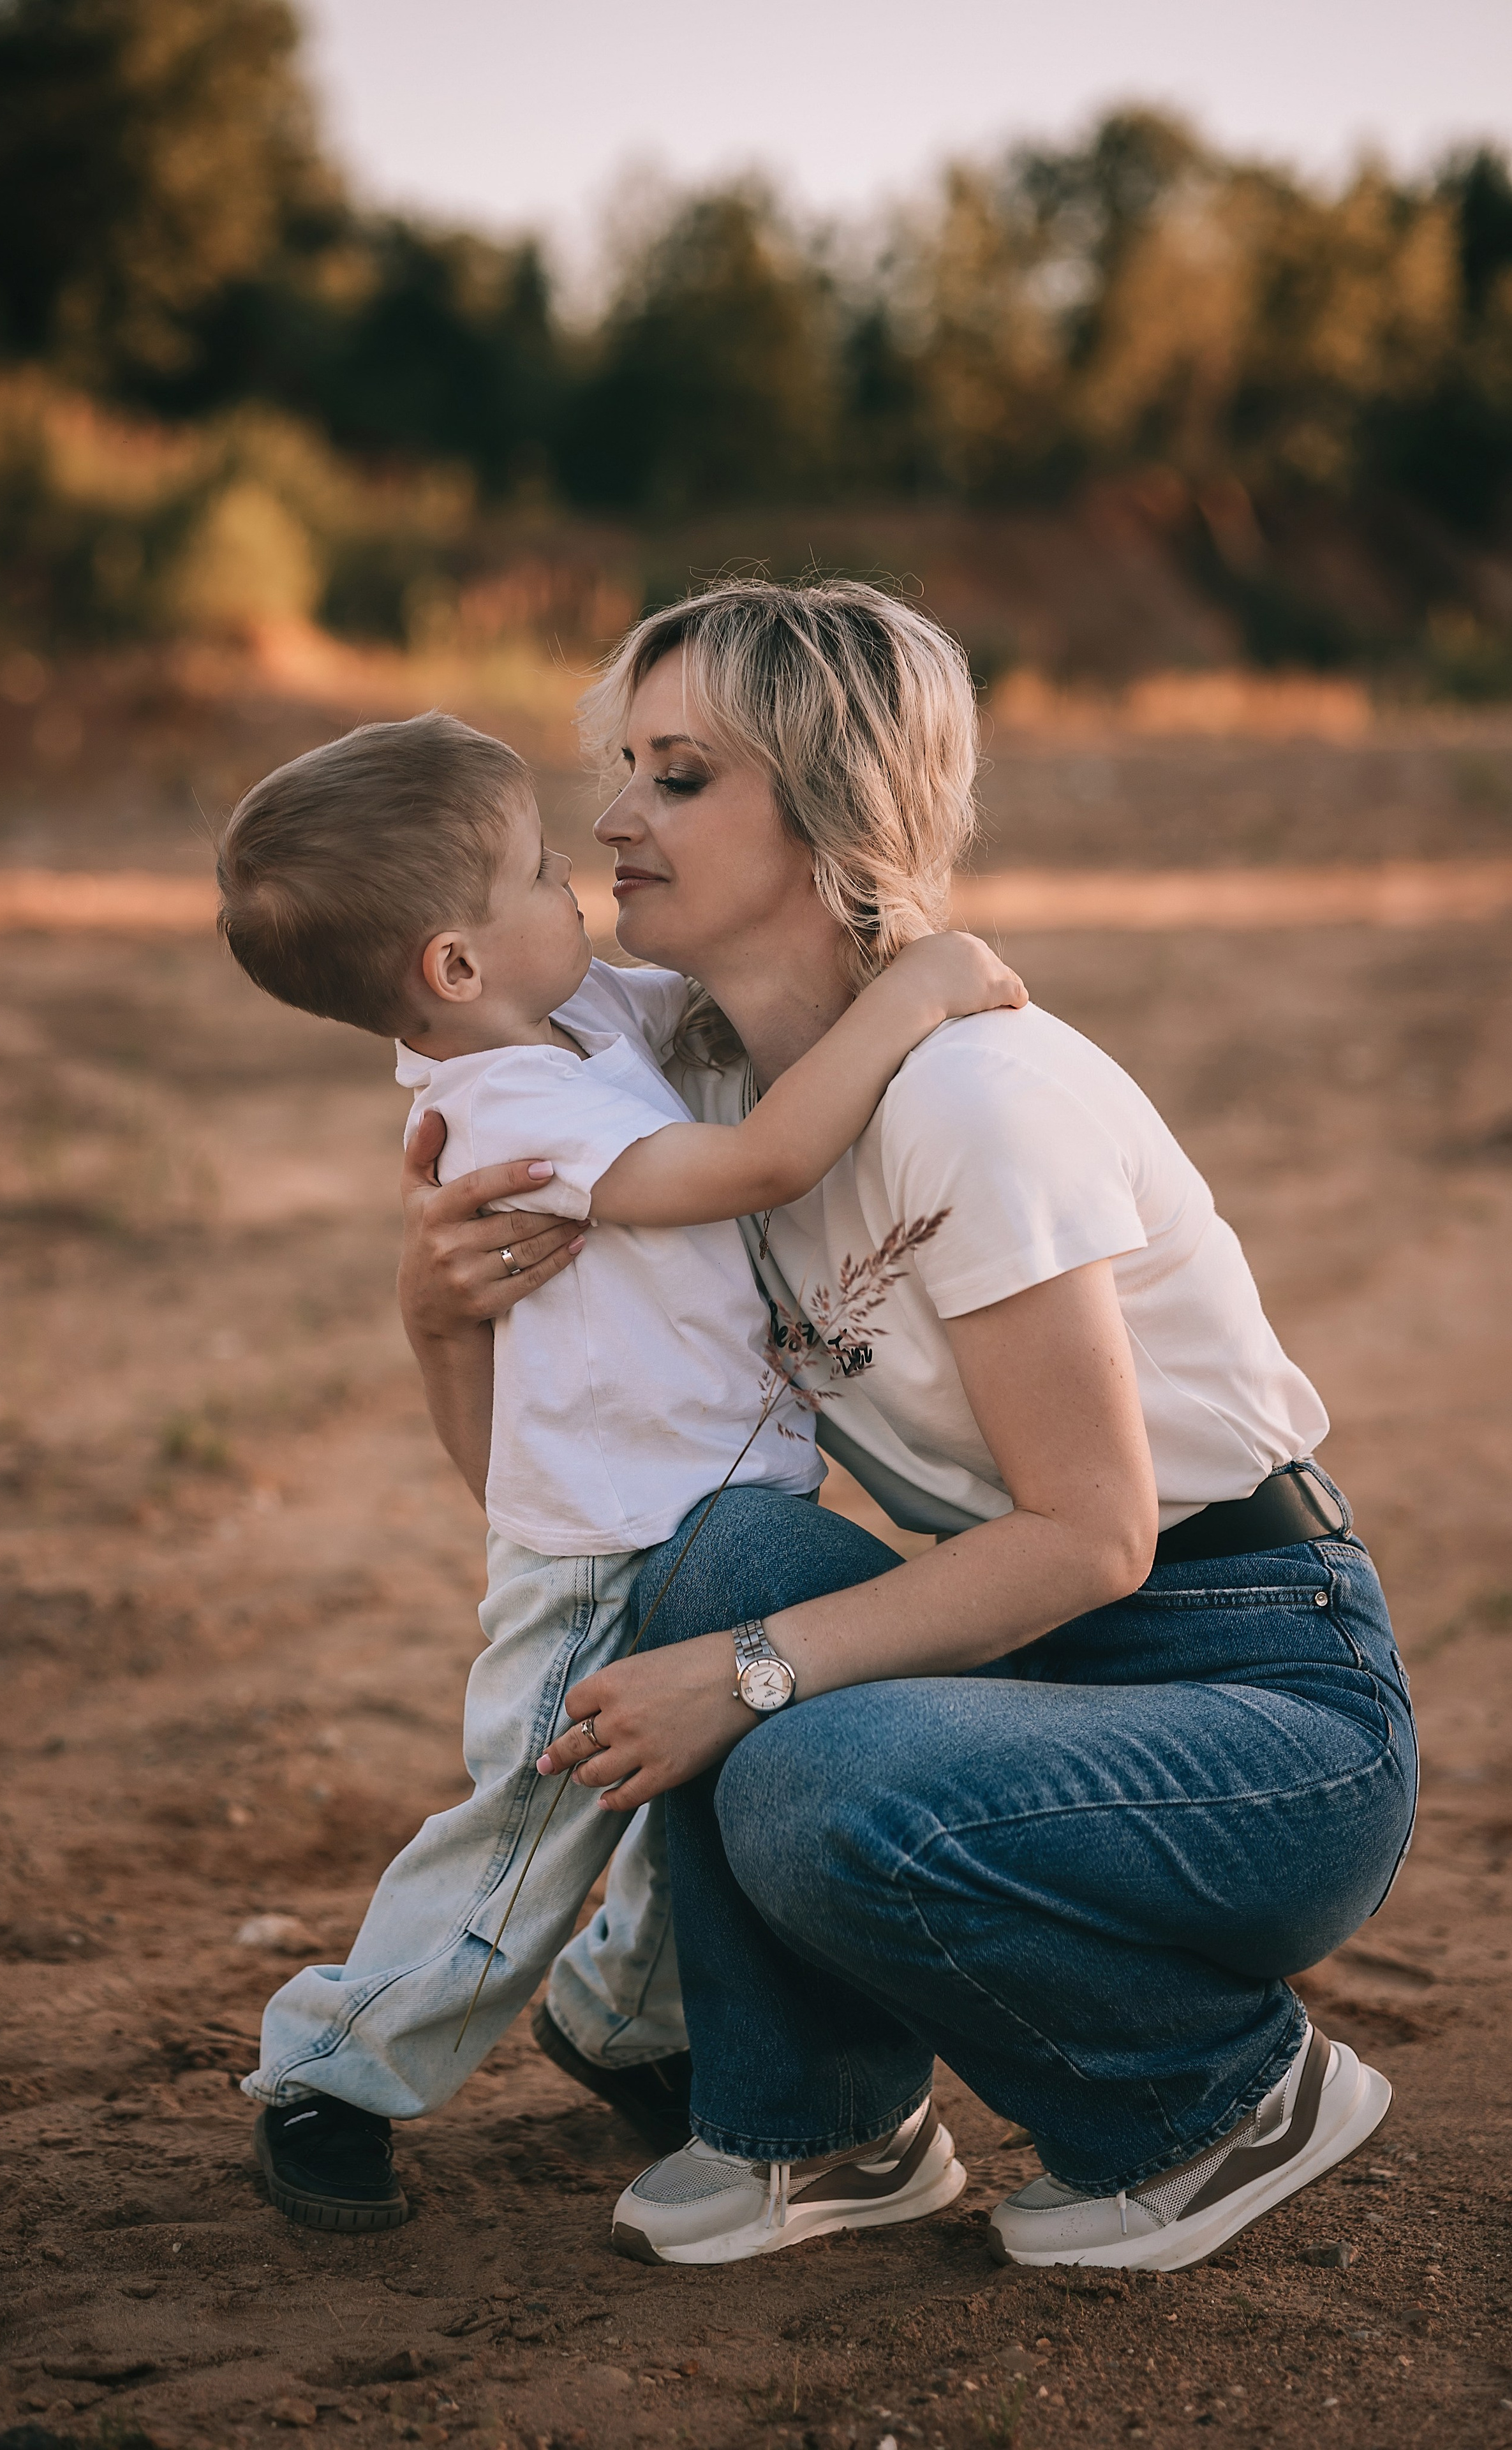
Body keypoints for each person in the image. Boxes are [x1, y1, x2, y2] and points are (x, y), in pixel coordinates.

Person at [403, 578, 1419, 2273]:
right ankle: (823, 2133)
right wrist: (437, 1317)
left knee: (809, 1769)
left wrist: (746, 1679)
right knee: (705, 1552)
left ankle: (1220, 2095)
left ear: (829, 811)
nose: (611, 820)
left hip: (1259, 1699)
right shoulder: (717, 1109)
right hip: (1041, 1665)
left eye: (679, 775)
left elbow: (1097, 1537)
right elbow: (570, 1505)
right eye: (626, 768)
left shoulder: (974, 1097)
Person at [213, 708, 1025, 2232]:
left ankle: (625, 2018)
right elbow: (758, 1160)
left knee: (698, 1794)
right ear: (453, 967)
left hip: (702, 1507)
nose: (573, 875)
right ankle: (332, 2065)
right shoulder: (508, 1108)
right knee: (534, 1821)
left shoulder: (574, 1019)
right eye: (532, 873)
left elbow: (721, 1015)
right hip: (600, 1543)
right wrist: (923, 987)